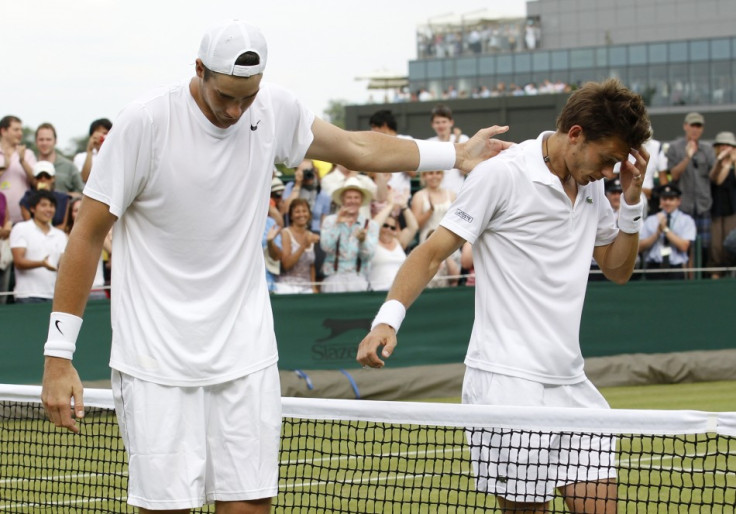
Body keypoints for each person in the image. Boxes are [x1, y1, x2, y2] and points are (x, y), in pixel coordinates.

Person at [41, 19, 510, 514]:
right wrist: (58, 355)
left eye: (248, 97)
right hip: (155, 362)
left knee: (249, 506)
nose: (236, 110)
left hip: (247, 355)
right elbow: (87, 236)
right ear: (198, 70)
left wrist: (454, 153)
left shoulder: (274, 109)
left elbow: (358, 147)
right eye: (225, 96)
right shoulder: (144, 122)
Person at [358, 79, 651, 514]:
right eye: (606, 159)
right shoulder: (501, 174)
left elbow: (617, 269)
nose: (609, 171)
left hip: (571, 382)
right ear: (575, 135)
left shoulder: (592, 185)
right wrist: (387, 319)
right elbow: (432, 252)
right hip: (507, 383)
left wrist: (630, 202)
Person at [666, 112, 716, 274]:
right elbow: (673, 175)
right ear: (685, 126)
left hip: (703, 205)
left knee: (704, 248)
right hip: (683, 206)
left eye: (698, 126)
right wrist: (687, 157)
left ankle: (701, 281)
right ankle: (688, 280)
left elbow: (714, 177)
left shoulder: (707, 149)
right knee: (683, 249)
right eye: (692, 125)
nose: (695, 129)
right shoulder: (675, 147)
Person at [320, 177, 378, 293]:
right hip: (334, 278)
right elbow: (325, 246)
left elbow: (369, 255)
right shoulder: (330, 221)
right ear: (342, 200)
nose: (352, 201)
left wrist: (363, 241)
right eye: (349, 197)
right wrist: (338, 224)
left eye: (356, 197)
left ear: (361, 201)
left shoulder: (370, 224)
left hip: (358, 278)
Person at [9, 190, 67, 303]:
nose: (49, 209)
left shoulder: (60, 235)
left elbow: (63, 264)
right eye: (43, 205)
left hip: (53, 296)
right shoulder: (21, 228)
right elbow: (18, 262)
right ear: (32, 209)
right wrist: (41, 264)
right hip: (27, 295)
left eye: (52, 206)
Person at [639, 184, 696, 280]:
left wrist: (665, 229)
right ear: (660, 201)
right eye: (664, 199)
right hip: (654, 268)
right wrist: (657, 233)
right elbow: (639, 247)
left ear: (678, 201)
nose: (667, 202)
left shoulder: (686, 220)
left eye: (671, 199)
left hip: (676, 268)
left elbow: (684, 246)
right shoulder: (651, 220)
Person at [368, 191, 418, 291]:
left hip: (399, 292)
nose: (388, 229)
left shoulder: (398, 242)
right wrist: (390, 205)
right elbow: (373, 226)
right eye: (385, 226)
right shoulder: (371, 242)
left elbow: (414, 227)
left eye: (392, 227)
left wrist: (404, 206)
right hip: (377, 291)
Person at [65, 197, 111, 300]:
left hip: (96, 290)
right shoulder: (62, 236)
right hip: (71, 293)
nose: (80, 213)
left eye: (82, 210)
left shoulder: (98, 233)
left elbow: (111, 250)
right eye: (76, 210)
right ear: (70, 214)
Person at [369, 109, 416, 203]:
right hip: (382, 201)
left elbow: (413, 173)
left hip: (402, 200)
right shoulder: (374, 144)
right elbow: (370, 174)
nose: (372, 131)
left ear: (384, 125)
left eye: (374, 127)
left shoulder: (406, 140)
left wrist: (394, 155)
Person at [275, 198, 320, 294]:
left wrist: (314, 288)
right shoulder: (285, 233)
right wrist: (303, 246)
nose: (301, 215)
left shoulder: (311, 235)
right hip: (286, 287)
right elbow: (286, 264)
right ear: (291, 216)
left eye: (304, 211)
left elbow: (311, 265)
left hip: (307, 288)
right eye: (297, 212)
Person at [707, 131, 736, 277]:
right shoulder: (714, 162)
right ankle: (715, 275)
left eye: (728, 145)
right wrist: (723, 162)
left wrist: (733, 162)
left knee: (731, 245)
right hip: (717, 211)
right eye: (722, 145)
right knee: (716, 248)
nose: (725, 148)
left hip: (733, 211)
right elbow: (716, 179)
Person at [0, 115, 36, 224]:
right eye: (16, 130)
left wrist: (23, 161)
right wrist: (4, 167)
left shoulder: (28, 154)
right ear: (3, 131)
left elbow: (36, 182)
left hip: (23, 219)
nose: (20, 133)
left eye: (21, 130)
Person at [428, 104, 469, 194]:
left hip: (459, 193)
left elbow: (463, 171)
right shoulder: (429, 143)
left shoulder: (463, 139)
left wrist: (457, 141)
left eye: (444, 122)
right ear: (432, 124)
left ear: (451, 122)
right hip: (437, 196)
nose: (441, 125)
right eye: (437, 122)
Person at [35, 123, 85, 196]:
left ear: (55, 141)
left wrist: (61, 196)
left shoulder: (69, 166)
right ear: (36, 141)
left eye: (48, 139)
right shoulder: (31, 163)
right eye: (41, 139)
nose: (44, 143)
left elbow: (81, 193)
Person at [19, 161, 70, 229]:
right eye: (39, 176)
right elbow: (28, 224)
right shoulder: (27, 198)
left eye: (47, 176)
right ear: (35, 179)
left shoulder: (63, 198)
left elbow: (63, 225)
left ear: (53, 179)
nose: (43, 179)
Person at [411, 170, 456, 243]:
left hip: (449, 239)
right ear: (424, 176)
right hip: (427, 240)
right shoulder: (418, 196)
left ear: (442, 175)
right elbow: (415, 226)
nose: (434, 176)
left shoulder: (451, 195)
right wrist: (430, 211)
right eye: (430, 173)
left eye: (438, 173)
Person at [73, 118, 112, 182]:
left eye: (105, 133)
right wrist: (90, 151)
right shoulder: (80, 157)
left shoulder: (116, 156)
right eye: (97, 134)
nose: (101, 137)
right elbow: (84, 179)